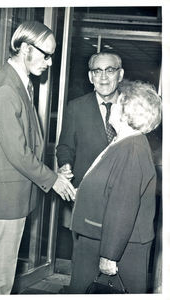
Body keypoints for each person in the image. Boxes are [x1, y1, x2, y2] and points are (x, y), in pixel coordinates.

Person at [0, 21, 76, 295]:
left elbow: (26, 143)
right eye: (46, 55)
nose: (49, 62)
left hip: (14, 192)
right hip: (6, 196)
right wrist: (53, 180)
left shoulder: (20, 83)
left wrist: (53, 173)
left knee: (1, 267)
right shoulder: (6, 88)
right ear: (25, 48)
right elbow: (18, 152)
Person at [67, 80, 162, 294]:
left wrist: (110, 255)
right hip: (101, 240)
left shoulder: (131, 150)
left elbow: (123, 207)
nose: (113, 104)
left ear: (128, 112)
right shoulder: (124, 143)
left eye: (118, 102)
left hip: (116, 248)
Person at [56, 51, 124, 228]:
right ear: (90, 76)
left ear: (120, 74)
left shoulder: (132, 107)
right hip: (87, 196)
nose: (103, 77)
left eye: (109, 70)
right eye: (97, 71)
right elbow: (65, 146)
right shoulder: (76, 107)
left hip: (123, 195)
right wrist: (65, 165)